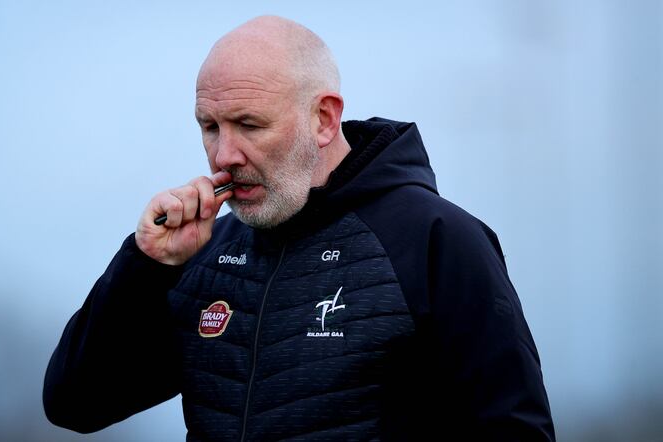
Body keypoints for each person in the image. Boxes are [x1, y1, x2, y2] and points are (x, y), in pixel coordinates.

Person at [43, 15, 555, 441]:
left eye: (249, 125)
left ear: (324, 119)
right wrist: (146, 264)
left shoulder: (437, 239)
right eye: (209, 127)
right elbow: (75, 404)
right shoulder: (202, 253)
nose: (224, 156)